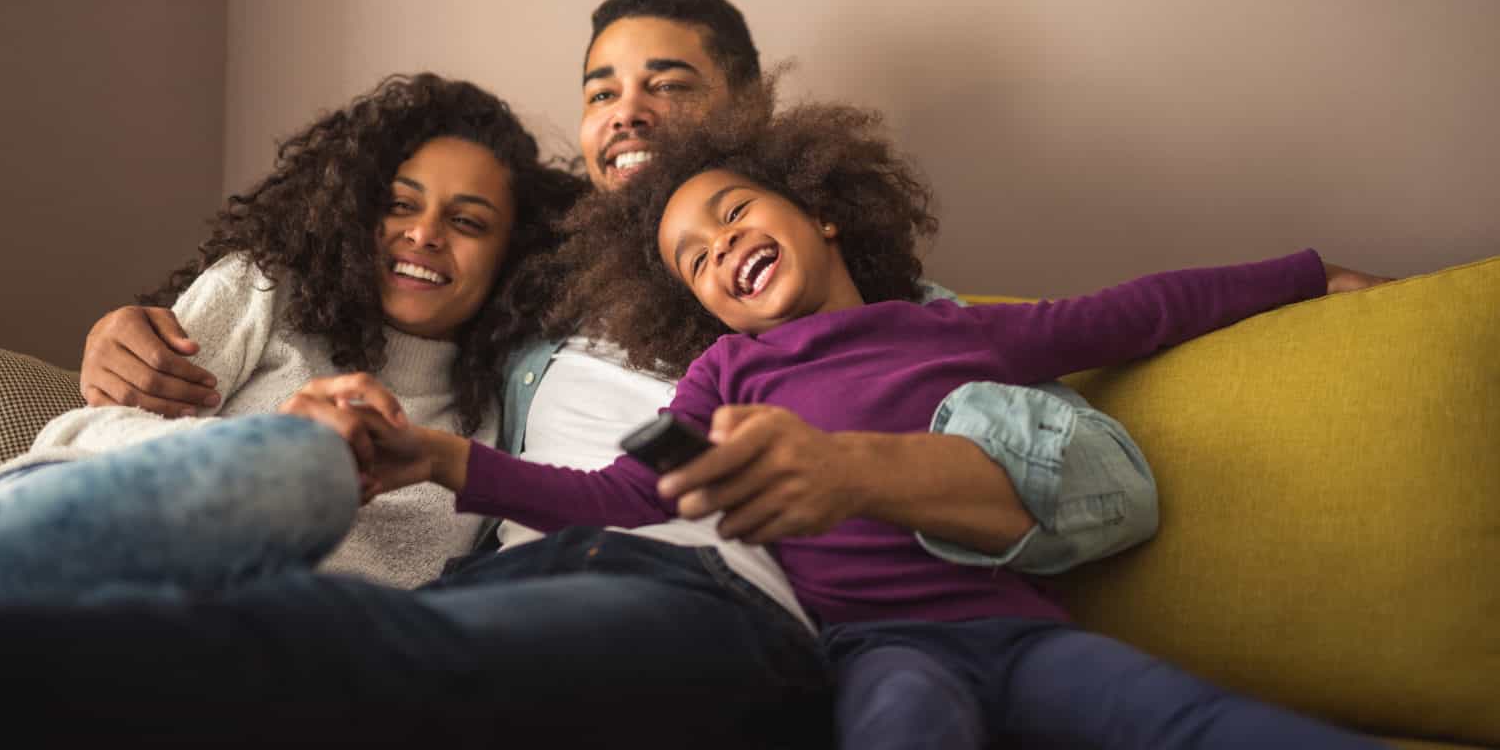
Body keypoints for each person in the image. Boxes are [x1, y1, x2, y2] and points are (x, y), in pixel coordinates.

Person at [0, 0, 1159, 745]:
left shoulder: (868, 314)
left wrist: (848, 468)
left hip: (707, 607)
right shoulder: (523, 310)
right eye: (601, 91)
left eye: (668, 85)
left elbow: (1108, 488)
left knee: (375, 660)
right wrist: (131, 323)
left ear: (746, 114)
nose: (626, 111)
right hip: (511, 580)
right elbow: (357, 288)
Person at [366, 88, 1388, 749]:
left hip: (1020, 632)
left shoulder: (950, 330)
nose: (720, 250)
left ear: (820, 210)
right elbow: (617, 493)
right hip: (872, 649)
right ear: (698, 306)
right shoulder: (723, 373)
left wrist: (1307, 273)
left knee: (1196, 720)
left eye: (732, 215)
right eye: (693, 259)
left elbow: (1140, 309)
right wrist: (441, 456)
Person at [0, 73, 584, 595]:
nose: (423, 234)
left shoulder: (502, 410)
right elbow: (85, 434)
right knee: (305, 465)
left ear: (514, 256)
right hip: (85, 538)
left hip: (267, 642)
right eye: (399, 204)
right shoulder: (268, 289)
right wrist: (282, 453)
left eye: (467, 221)